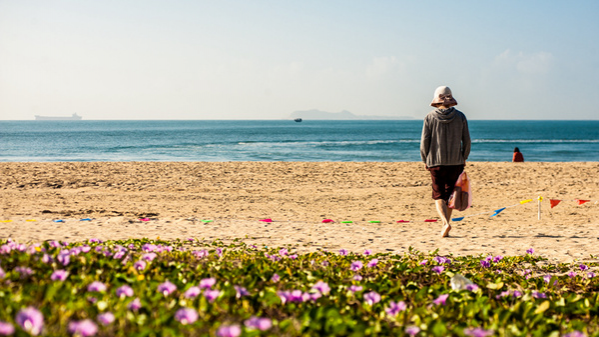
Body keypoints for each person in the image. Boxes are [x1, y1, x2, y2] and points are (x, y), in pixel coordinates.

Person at [420, 86, 471, 237]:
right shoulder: (460, 116)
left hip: (436, 161)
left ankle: (445, 223)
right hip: (456, 161)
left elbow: (424, 141)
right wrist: (464, 157)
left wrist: (425, 158)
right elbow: (466, 140)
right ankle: (446, 226)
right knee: (450, 195)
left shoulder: (430, 117)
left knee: (438, 195)